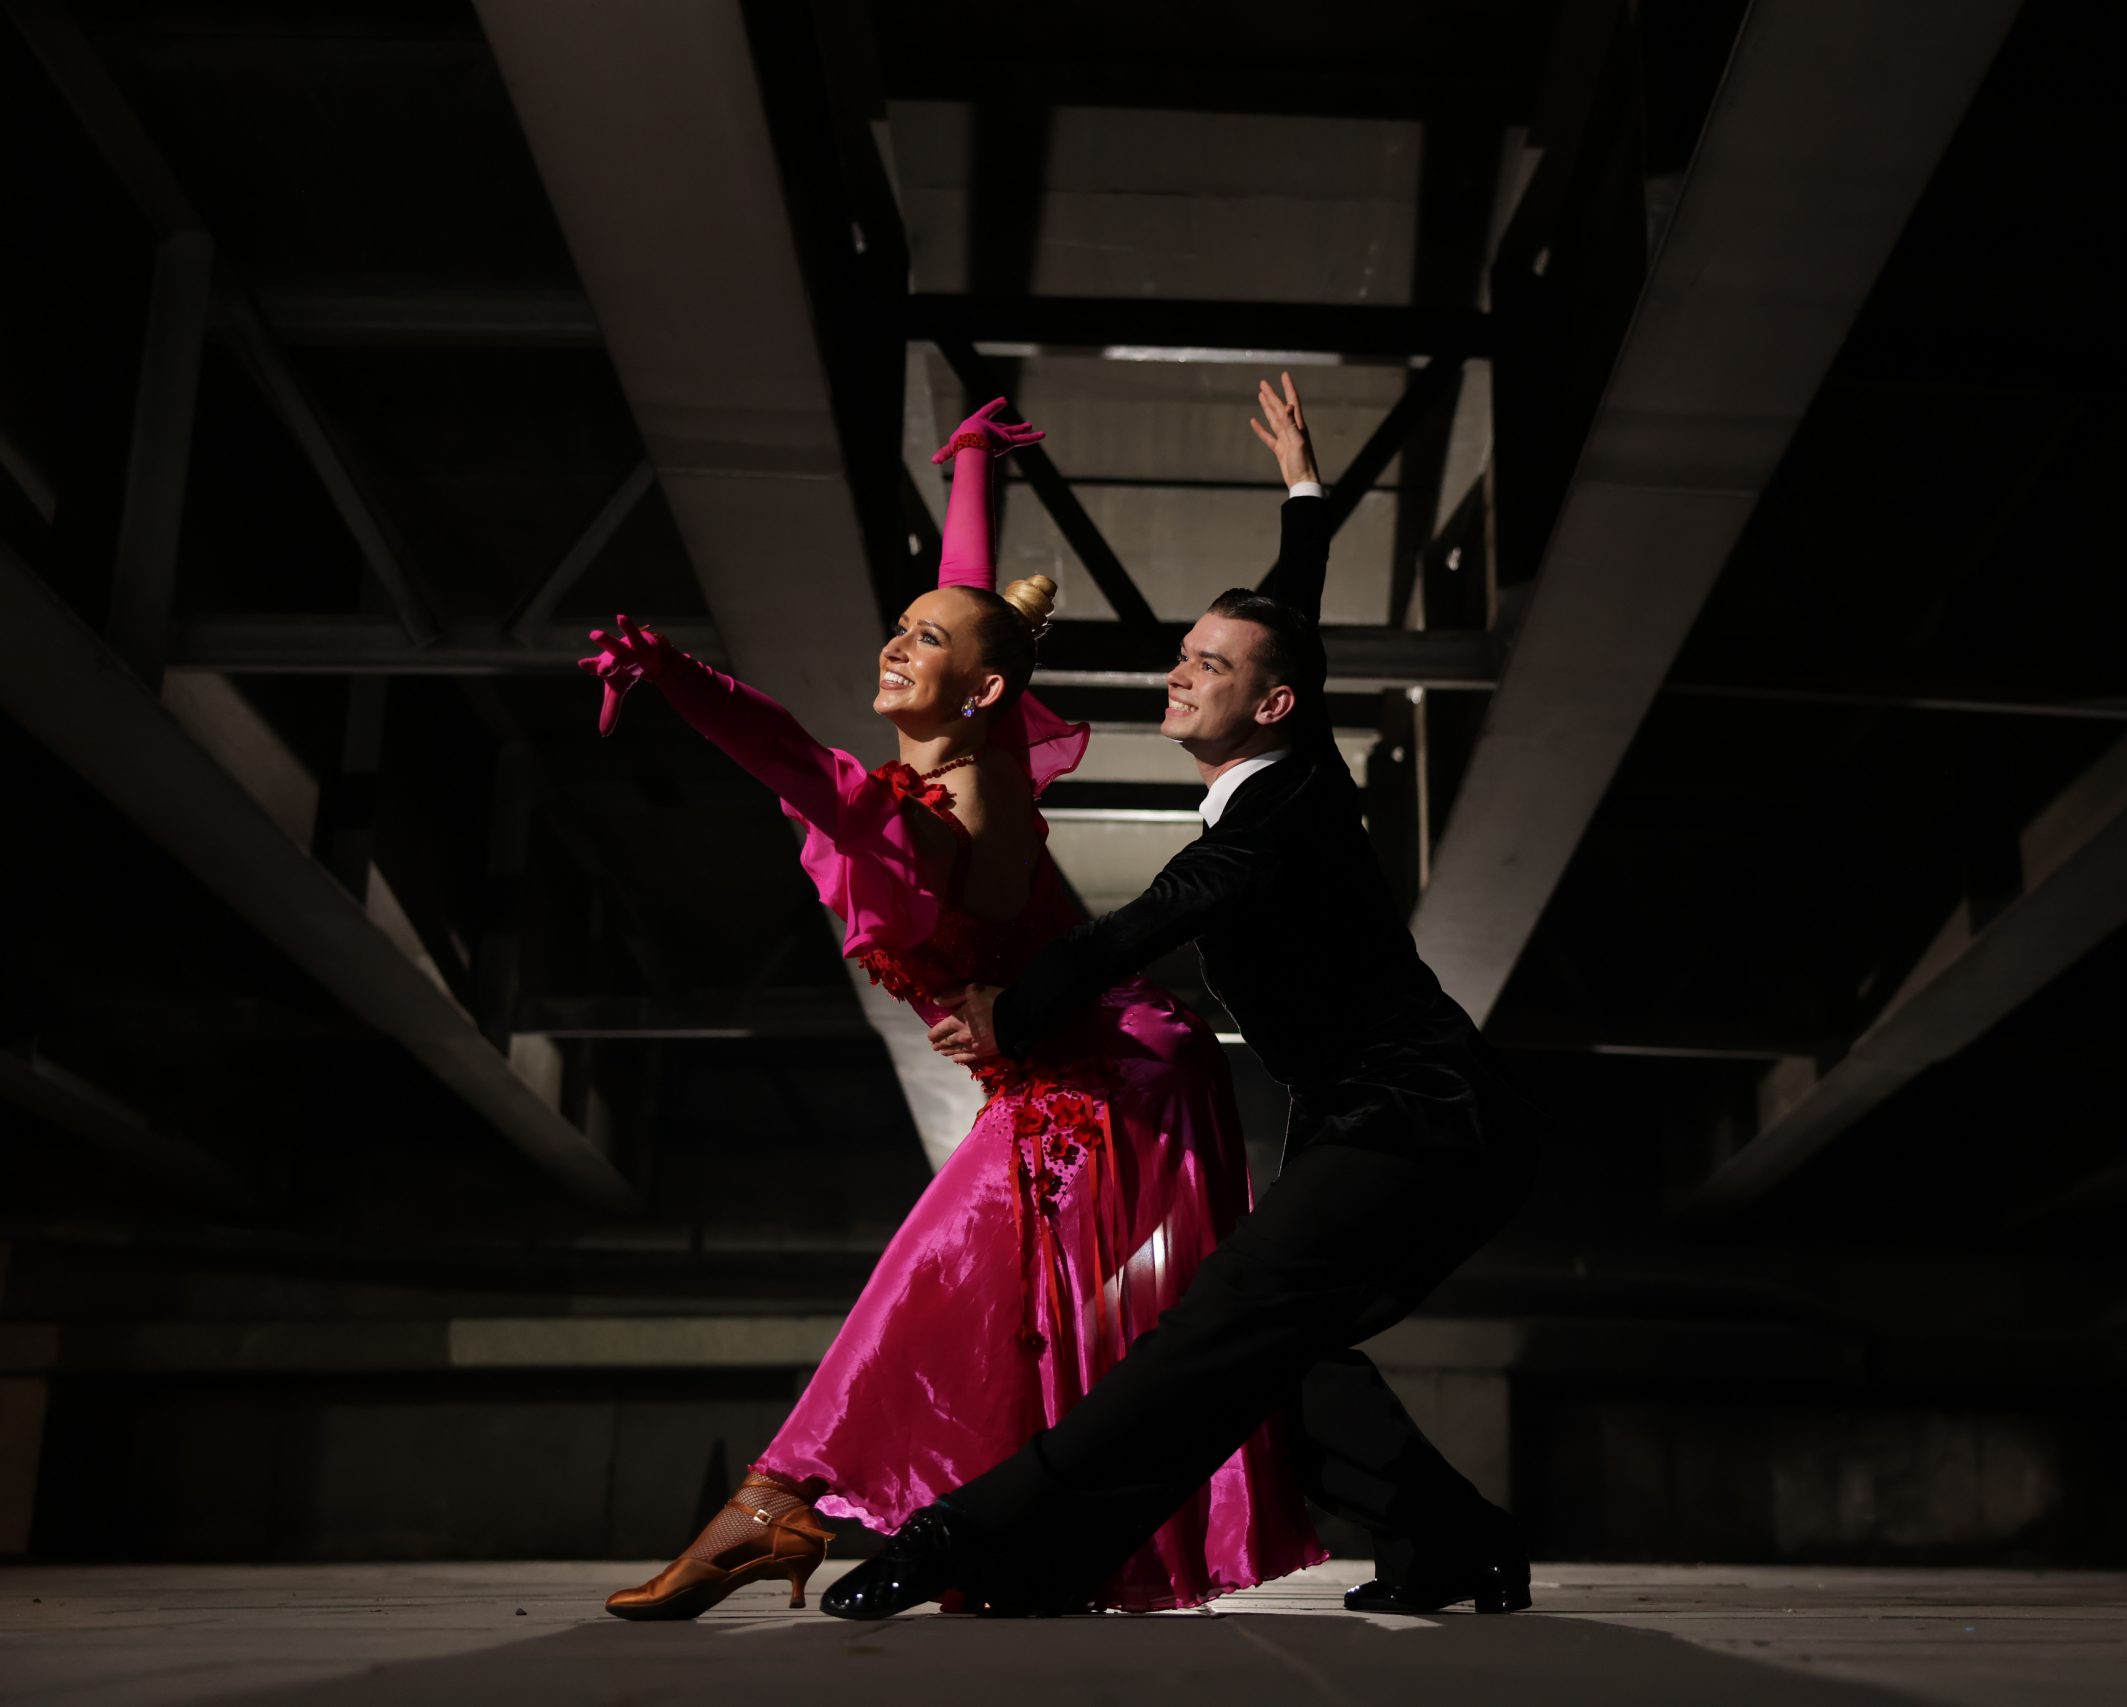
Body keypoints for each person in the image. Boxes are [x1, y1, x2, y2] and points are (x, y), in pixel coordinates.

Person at [580, 399, 1324, 1619]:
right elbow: (968, 597)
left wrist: (678, 675)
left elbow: (787, 759)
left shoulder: (929, 822)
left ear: (978, 691)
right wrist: (972, 463)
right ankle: (959, 1533)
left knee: (937, 1288)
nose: (893, 646)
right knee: (1024, 1323)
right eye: (897, 630)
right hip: (1076, 1067)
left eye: (917, 643)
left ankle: (773, 1508)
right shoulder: (969, 736)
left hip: (1110, 1079)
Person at [826, 375, 1535, 1620]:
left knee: (1219, 1327)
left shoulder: (1262, 826)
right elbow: (1288, 623)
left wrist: (1014, 1008)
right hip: (1363, 1116)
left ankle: (985, 1537)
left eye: (1202, 666)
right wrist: (1305, 500)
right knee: (1275, 1349)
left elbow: (1137, 929)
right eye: (1182, 655)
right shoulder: (1287, 742)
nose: (1174, 676)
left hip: (1419, 1119)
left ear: (1264, 706)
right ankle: (1454, 1542)